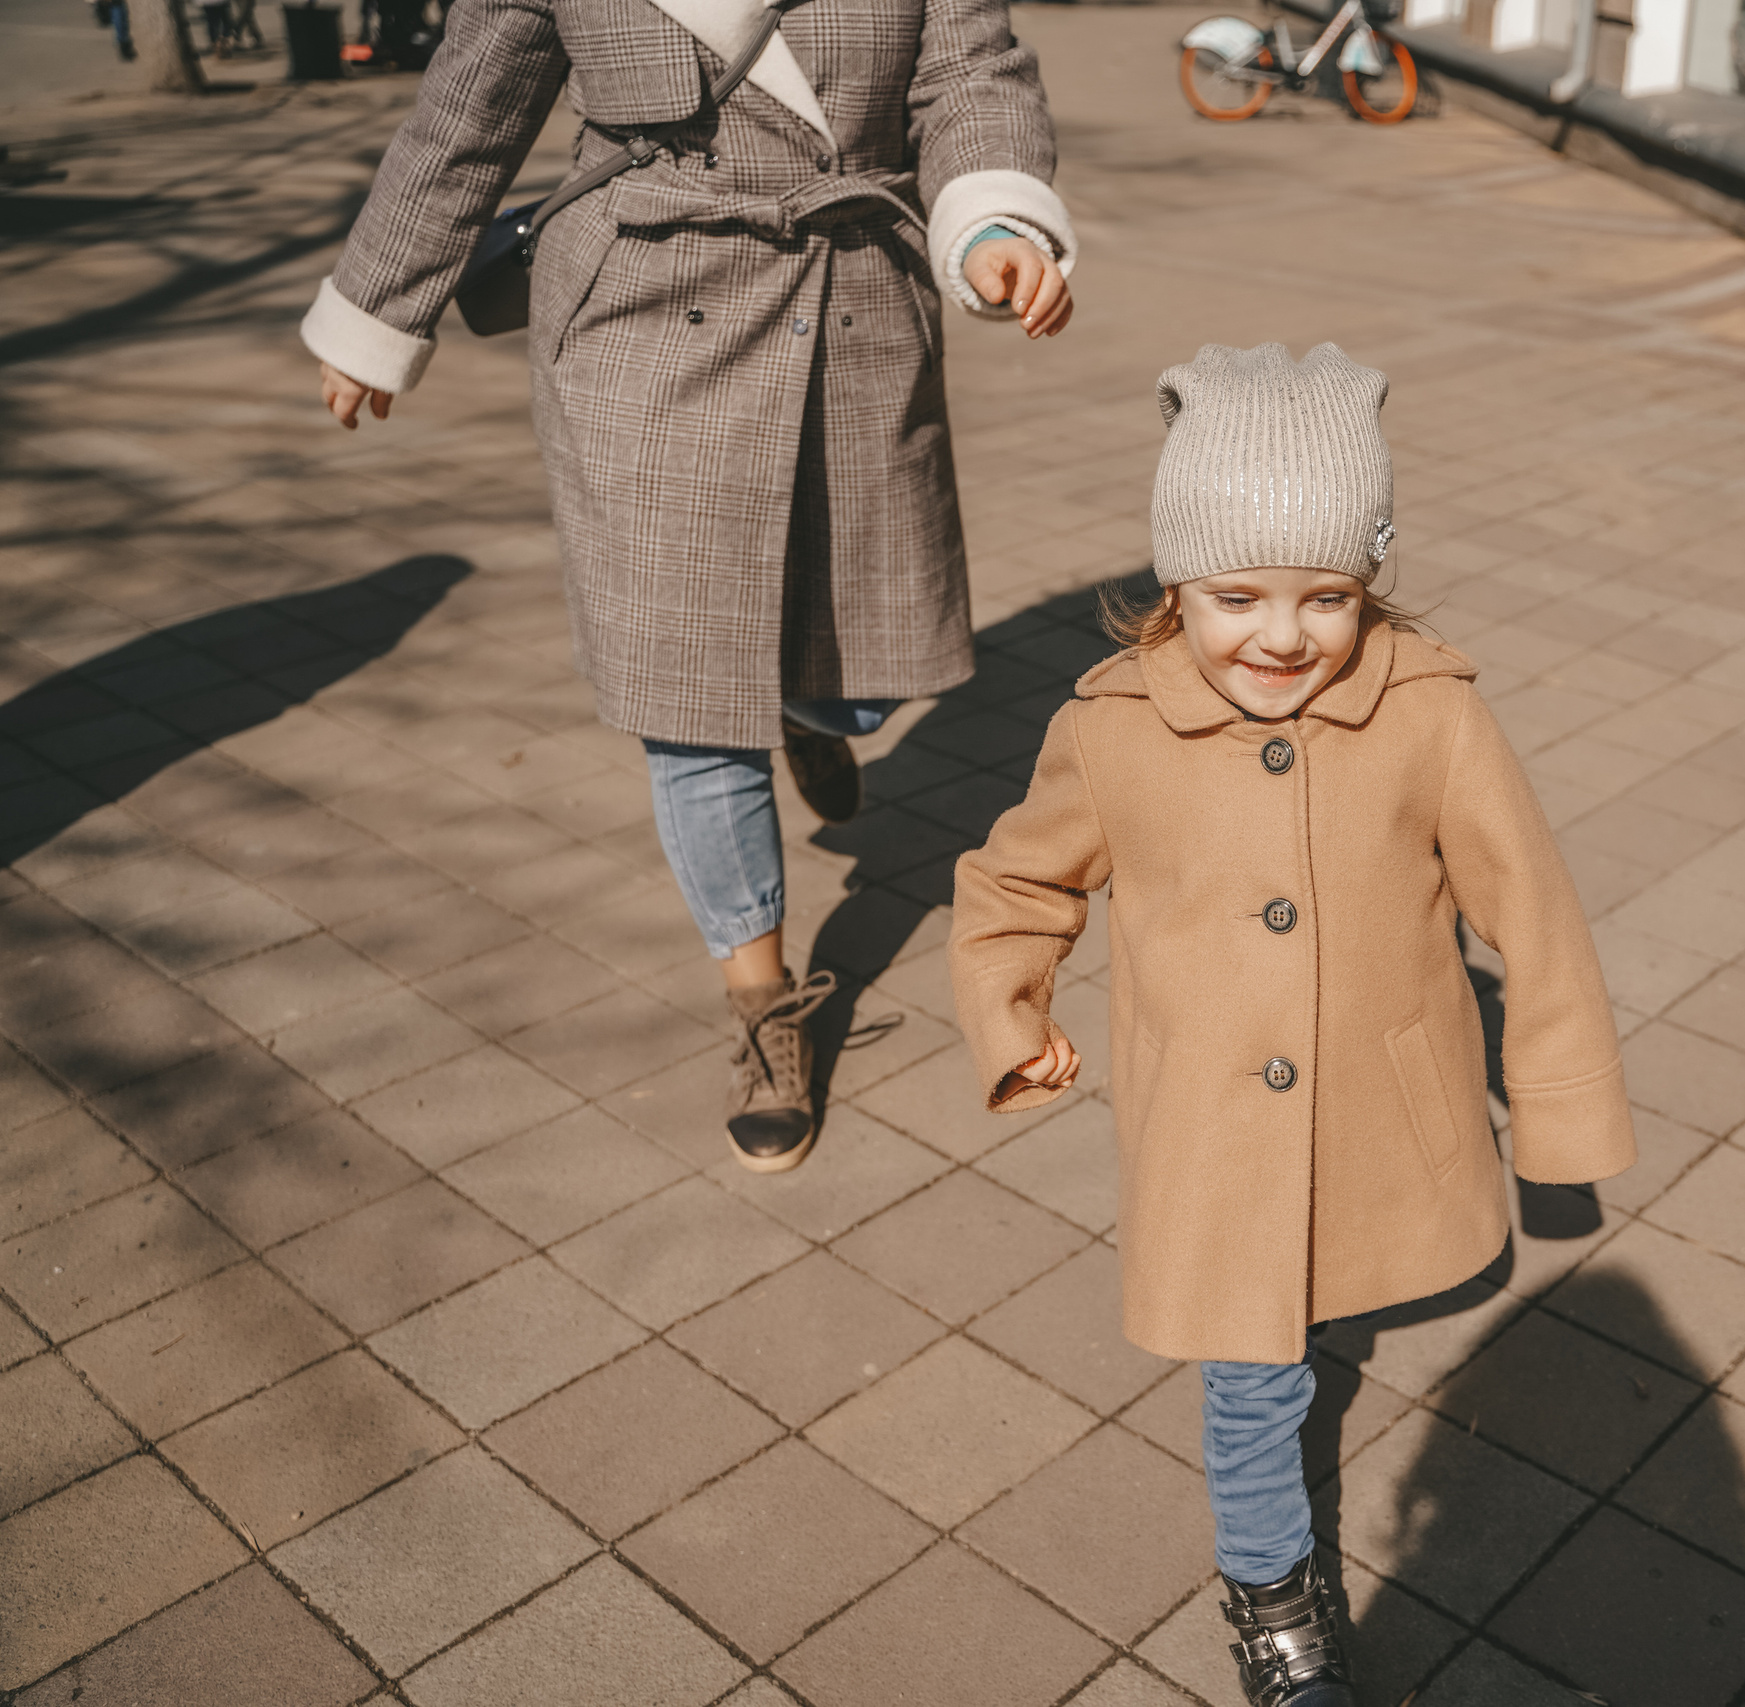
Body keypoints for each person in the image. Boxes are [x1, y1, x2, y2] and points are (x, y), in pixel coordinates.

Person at [947, 344, 1637, 1707]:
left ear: (1370, 581)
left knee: (1318, 1309)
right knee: (1254, 1366)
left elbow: (1535, 915)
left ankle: (1287, 1495)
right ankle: (1273, 1591)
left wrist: (1557, 1125)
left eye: (1328, 595)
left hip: (1378, 1111)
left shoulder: (1430, 716)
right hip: (1206, 1119)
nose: (1283, 633)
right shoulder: (1115, 727)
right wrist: (1006, 1008)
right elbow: (1015, 878)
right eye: (1236, 594)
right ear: (1174, 584)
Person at [302, 0, 1076, 1173]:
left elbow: (972, 71)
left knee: (851, 674)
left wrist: (992, 218)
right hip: (639, 318)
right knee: (689, 707)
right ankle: (762, 1006)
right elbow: (469, 110)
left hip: (849, 302)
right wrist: (377, 309)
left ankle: (812, 709)